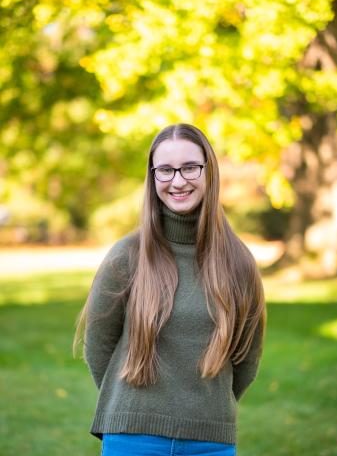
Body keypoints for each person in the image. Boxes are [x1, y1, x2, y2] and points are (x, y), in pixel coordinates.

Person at [73, 123, 266, 456]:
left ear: (210, 172)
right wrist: (132, 404)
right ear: (153, 177)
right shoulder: (127, 255)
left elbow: (246, 358)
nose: (178, 181)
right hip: (131, 436)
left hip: (211, 441)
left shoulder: (238, 262)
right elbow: (98, 346)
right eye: (165, 170)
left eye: (190, 167)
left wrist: (204, 407)